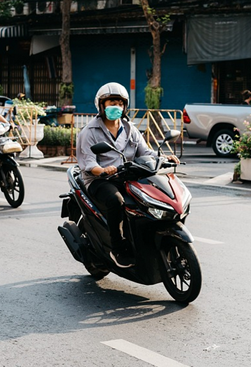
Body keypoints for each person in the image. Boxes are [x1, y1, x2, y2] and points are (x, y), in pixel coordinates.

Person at [76, 82, 180, 268]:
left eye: (119, 102)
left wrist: (165, 157)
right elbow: (89, 163)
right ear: (101, 105)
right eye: (111, 102)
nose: (115, 106)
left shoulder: (130, 129)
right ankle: (118, 248)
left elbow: (145, 153)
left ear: (125, 106)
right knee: (116, 201)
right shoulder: (89, 132)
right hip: (100, 180)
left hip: (127, 175)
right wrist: (103, 170)